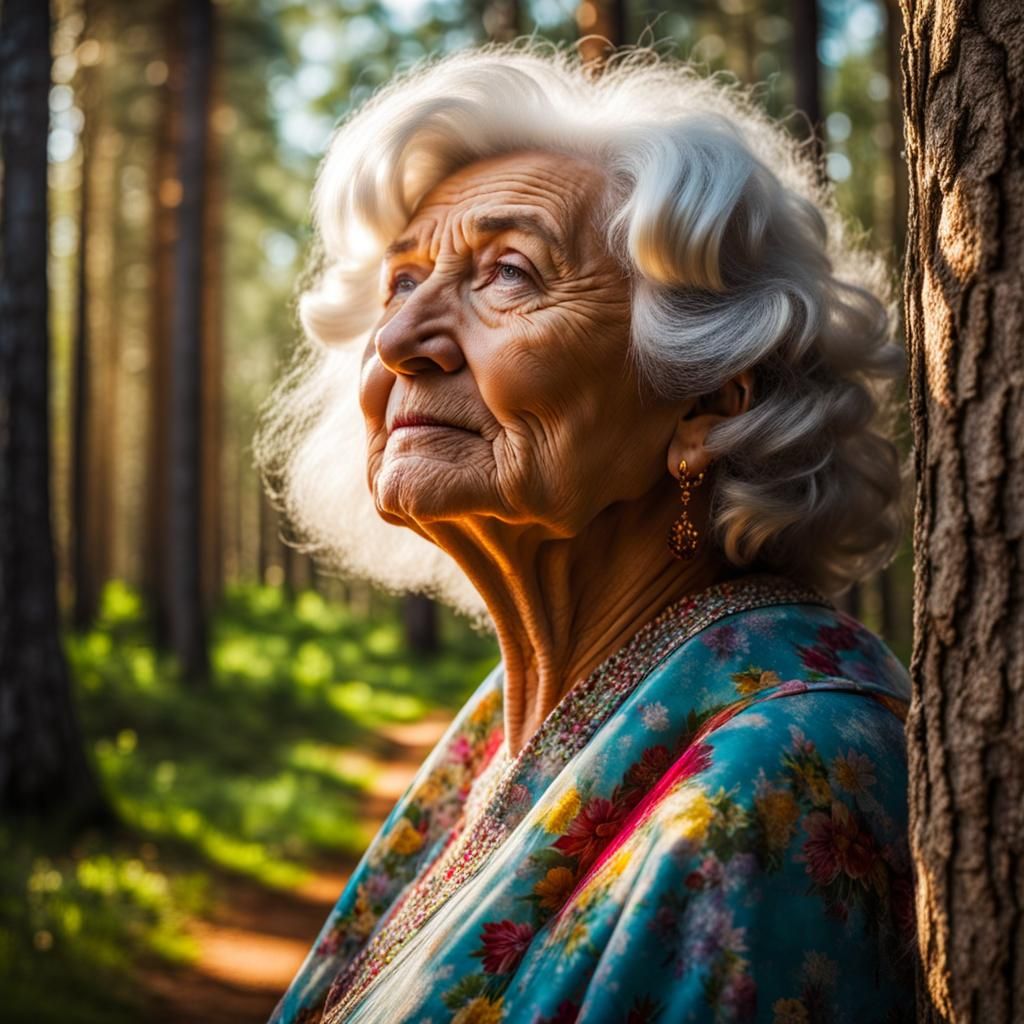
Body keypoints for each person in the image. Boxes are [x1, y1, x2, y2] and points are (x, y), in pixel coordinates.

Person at [256, 39, 915, 1024]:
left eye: (508, 275)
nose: (396, 340)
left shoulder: (789, 772)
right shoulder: (526, 717)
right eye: (401, 282)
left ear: (704, 404)